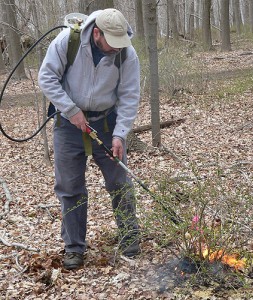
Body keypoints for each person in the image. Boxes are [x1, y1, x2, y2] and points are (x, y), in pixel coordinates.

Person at [38, 8, 141, 270]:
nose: (116, 49)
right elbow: (47, 78)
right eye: (112, 44)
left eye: (121, 44)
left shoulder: (127, 53)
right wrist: (71, 110)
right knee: (70, 188)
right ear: (97, 33)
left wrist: (120, 134)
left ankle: (130, 238)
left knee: (120, 181)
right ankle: (74, 248)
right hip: (68, 125)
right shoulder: (66, 42)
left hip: (107, 123)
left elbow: (129, 96)